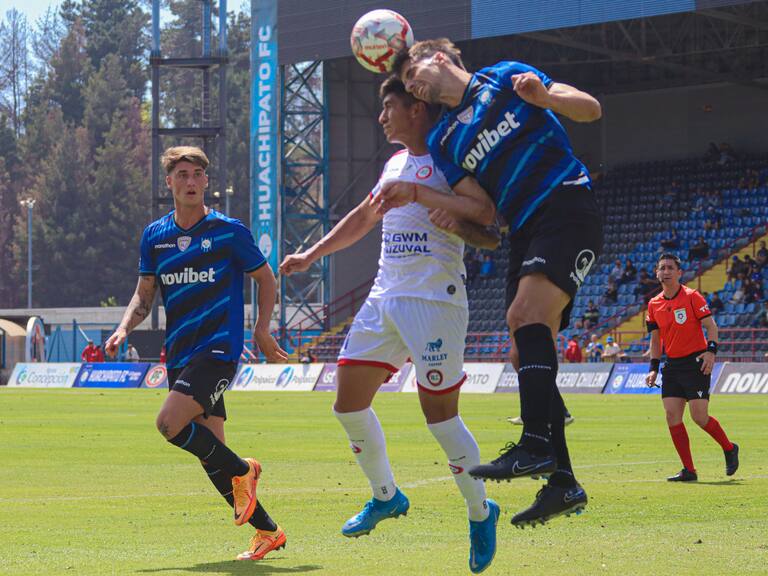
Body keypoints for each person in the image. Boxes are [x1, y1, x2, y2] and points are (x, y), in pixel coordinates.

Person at [280, 76, 501, 573]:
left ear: (417, 109)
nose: (381, 117)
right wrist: (312, 252)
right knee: (347, 402)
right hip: (385, 297)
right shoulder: (394, 163)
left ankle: (480, 511)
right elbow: (362, 217)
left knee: (440, 418)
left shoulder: (448, 155)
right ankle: (387, 496)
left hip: (434, 301)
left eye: (388, 107)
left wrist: (424, 197)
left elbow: (487, 214)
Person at [382, 38, 602, 526]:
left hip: (566, 203)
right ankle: (563, 483)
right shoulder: (443, 141)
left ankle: (535, 443)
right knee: (524, 347)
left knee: (526, 317)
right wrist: (462, 227)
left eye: (414, 67)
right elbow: (489, 225)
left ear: (440, 58)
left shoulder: (505, 78)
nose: (411, 80)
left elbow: (590, 109)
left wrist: (547, 99)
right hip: (525, 228)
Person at [104, 146, 289, 561]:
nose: (190, 181)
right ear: (169, 182)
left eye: (197, 175)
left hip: (219, 349)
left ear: (206, 181)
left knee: (169, 424)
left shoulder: (228, 231)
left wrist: (261, 328)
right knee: (211, 459)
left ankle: (246, 468)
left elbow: (265, 278)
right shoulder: (155, 236)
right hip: (181, 354)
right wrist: (121, 328)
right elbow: (144, 295)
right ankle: (267, 531)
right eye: (181, 174)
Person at [645, 253, 739, 482]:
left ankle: (729, 448)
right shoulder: (653, 304)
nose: (665, 271)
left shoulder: (692, 297)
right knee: (672, 416)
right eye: (662, 268)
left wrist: (711, 351)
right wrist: (653, 367)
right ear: (657, 273)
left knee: (699, 417)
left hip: (695, 363)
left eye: (670, 268)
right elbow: (655, 341)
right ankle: (689, 470)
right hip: (672, 366)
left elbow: (711, 326)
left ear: (679, 273)